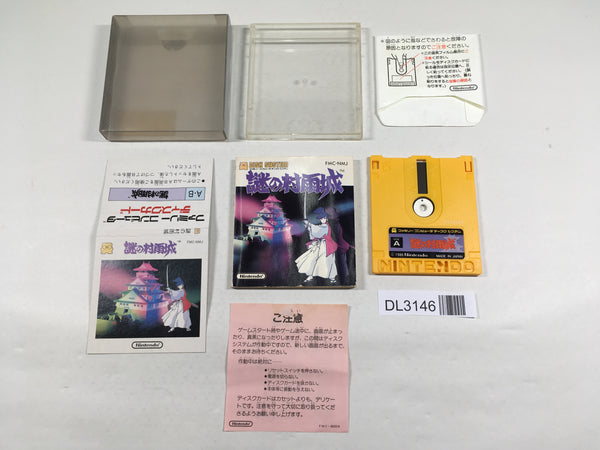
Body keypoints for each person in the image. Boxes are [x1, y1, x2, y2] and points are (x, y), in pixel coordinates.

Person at [295, 207, 338, 284]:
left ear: (326, 219)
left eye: (324, 218)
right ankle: (310, 275)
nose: (322, 220)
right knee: (313, 259)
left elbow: (317, 231)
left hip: (326, 246)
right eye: (321, 219)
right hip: (320, 244)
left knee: (327, 261)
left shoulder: (325, 226)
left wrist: (309, 224)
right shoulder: (322, 225)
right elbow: (315, 233)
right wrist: (308, 227)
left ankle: (332, 278)